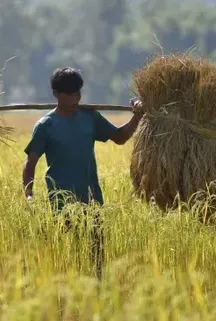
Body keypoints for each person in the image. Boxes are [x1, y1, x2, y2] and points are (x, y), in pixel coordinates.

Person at [22, 66, 144, 278]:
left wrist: (137, 116)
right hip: (61, 199)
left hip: (91, 196)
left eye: (78, 92)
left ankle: (96, 292)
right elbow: (31, 162)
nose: (75, 97)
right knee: (68, 252)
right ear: (56, 95)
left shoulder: (90, 117)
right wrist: (29, 194)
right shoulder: (46, 125)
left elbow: (120, 137)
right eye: (69, 94)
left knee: (96, 252)